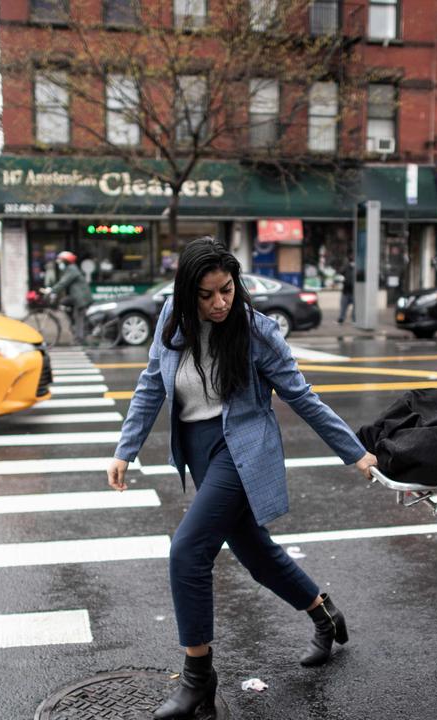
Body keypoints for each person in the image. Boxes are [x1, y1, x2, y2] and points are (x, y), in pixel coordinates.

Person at [107, 237, 378, 720]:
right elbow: (152, 383)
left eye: (227, 291)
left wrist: (355, 453)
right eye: (207, 294)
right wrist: (125, 449)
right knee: (254, 553)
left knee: (188, 550)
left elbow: (303, 397)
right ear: (188, 292)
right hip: (197, 449)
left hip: (240, 450)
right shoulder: (171, 317)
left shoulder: (256, 332)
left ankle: (197, 682)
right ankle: (324, 613)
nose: (219, 303)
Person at [49, 251, 92, 343]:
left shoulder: (72, 269)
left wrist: (52, 290)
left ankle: (79, 338)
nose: (59, 263)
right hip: (75, 296)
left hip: (81, 298)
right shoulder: (69, 269)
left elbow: (64, 282)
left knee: (78, 317)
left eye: (60, 261)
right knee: (62, 302)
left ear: (65, 261)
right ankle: (72, 322)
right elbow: (62, 282)